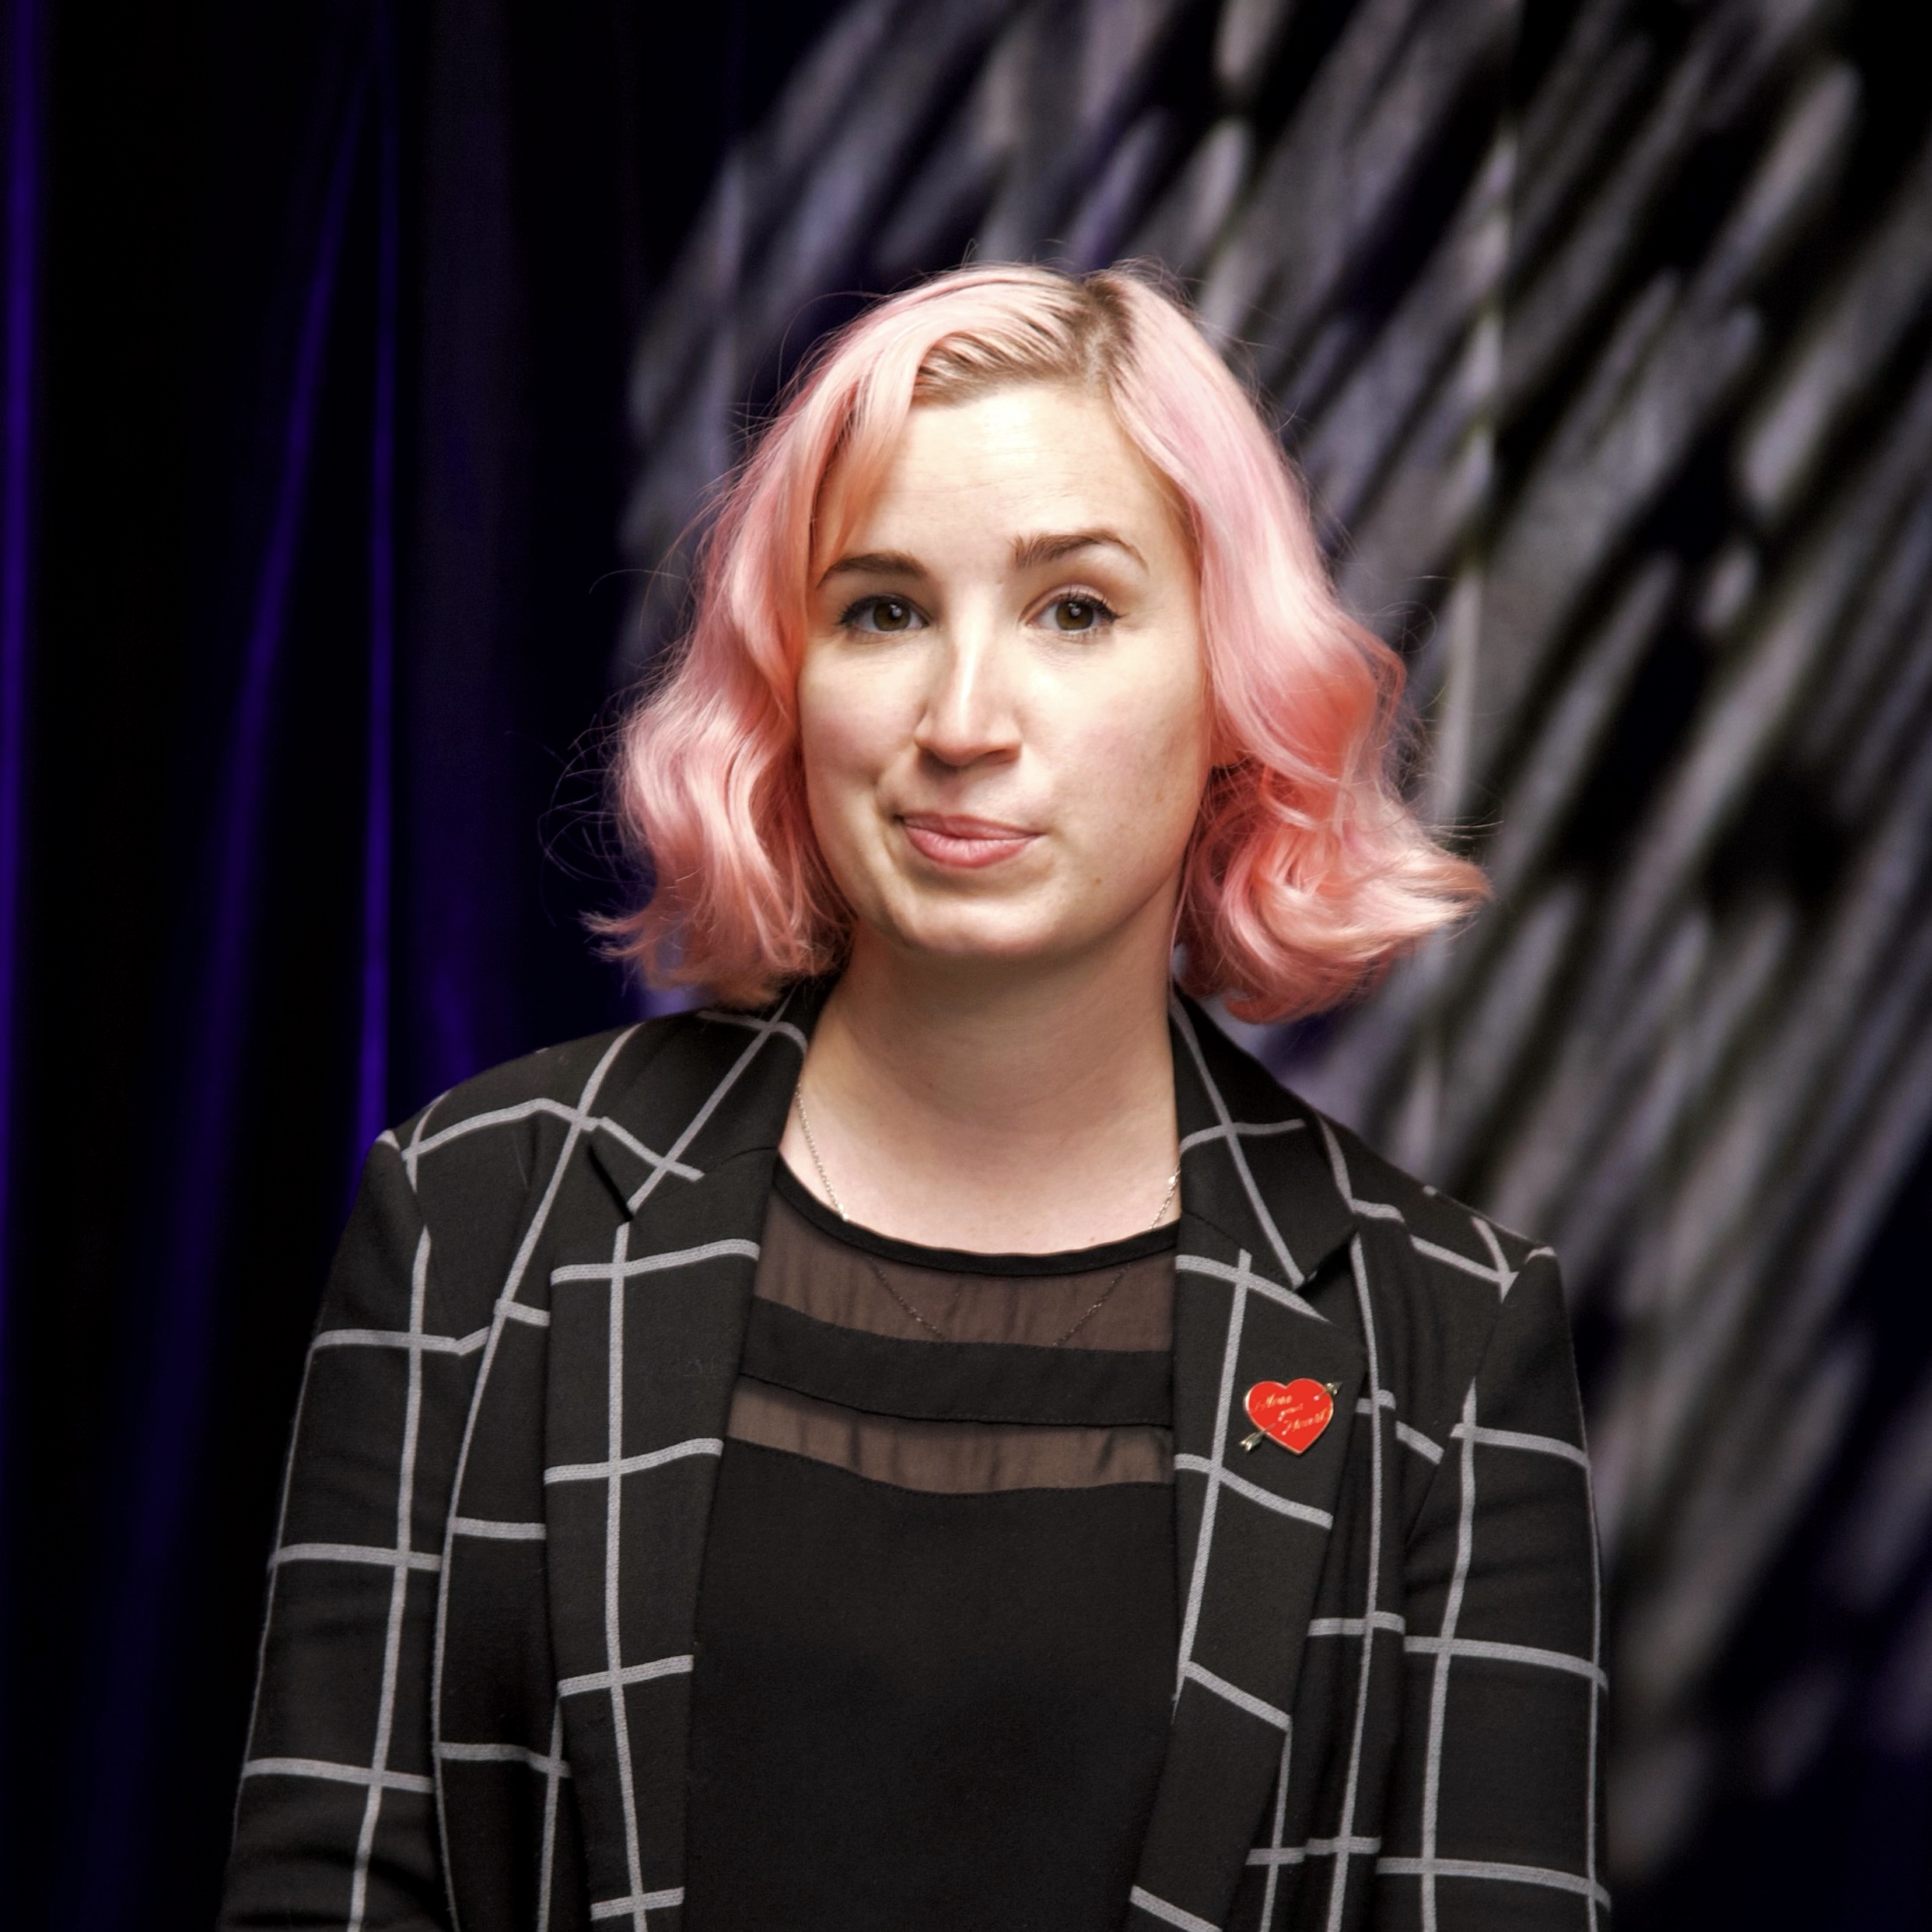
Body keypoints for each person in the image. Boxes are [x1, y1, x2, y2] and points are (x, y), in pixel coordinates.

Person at [221, 264, 1605, 1932]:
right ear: (785, 686)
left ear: (1235, 700)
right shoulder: (475, 1220)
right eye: (881, 608)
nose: (962, 722)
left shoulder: (1440, 1342)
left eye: (1074, 612)